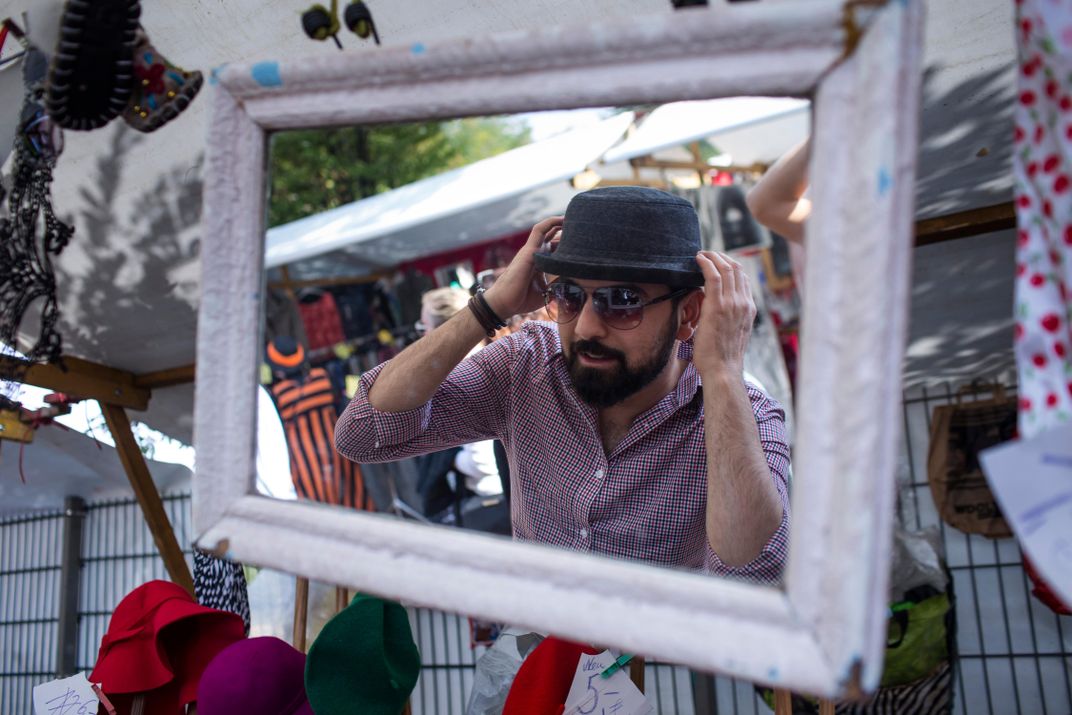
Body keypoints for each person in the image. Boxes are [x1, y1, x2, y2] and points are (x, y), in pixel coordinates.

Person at [336, 186, 790, 583]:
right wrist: (489, 308)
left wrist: (722, 372)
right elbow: (364, 435)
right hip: (535, 666)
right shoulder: (527, 365)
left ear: (687, 314)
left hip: (663, 677)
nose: (588, 326)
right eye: (569, 294)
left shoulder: (737, 411)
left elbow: (752, 573)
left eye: (623, 301)